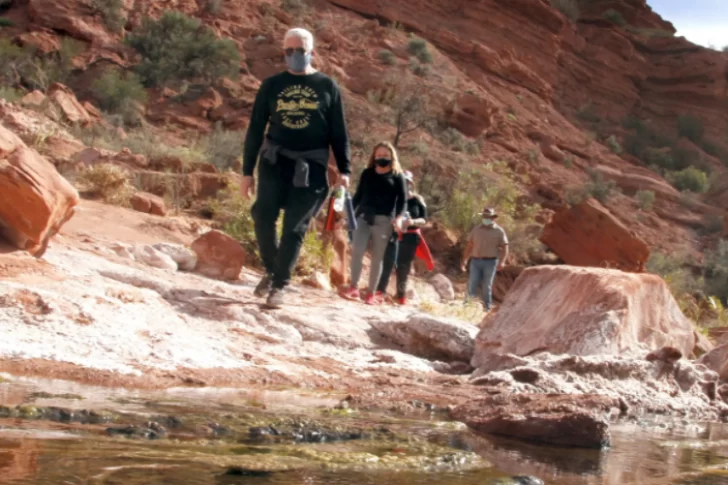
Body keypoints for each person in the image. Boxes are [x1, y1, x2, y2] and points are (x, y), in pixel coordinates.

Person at [240, 28, 351, 308]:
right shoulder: (272, 85)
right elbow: (255, 130)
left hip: (311, 167)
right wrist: (246, 172)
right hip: (274, 162)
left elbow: (339, 132)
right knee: (263, 215)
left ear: (312, 53)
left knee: (295, 227)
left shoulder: (327, 86)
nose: (293, 56)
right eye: (288, 51)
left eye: (299, 50)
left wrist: (345, 170)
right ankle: (272, 269)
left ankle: (280, 284)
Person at [340, 142, 407, 305]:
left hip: (384, 220)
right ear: (373, 157)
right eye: (378, 155)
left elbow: (403, 201)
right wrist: (347, 214)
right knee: (357, 250)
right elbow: (358, 196)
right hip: (363, 217)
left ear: (392, 156)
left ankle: (371, 294)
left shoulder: (398, 176)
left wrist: (399, 217)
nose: (381, 158)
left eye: (385, 155)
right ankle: (353, 288)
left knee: (377, 258)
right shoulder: (367, 173)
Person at [375, 171, 428, 305]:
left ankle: (401, 296)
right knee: (387, 262)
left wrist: (413, 222)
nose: (405, 184)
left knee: (403, 266)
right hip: (393, 233)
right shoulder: (393, 198)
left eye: (407, 182)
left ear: (411, 183)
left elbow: (424, 219)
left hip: (410, 236)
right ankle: (380, 291)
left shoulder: (417, 200)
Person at [460, 208, 508, 311]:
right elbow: (469, 245)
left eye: (488, 217)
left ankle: (487, 307)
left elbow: (505, 246)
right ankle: (466, 306)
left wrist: (502, 261)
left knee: (487, 285)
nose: (486, 219)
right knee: (472, 283)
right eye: (484, 217)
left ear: (493, 218)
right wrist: (464, 260)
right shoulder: (476, 229)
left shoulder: (499, 231)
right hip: (475, 261)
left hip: (490, 262)